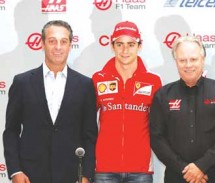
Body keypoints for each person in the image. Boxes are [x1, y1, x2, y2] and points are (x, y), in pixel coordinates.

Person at [3, 20, 98, 183]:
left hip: (72, 175)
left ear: (70, 45)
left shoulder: (85, 85)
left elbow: (90, 134)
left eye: (63, 41)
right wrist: (15, 170)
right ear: (42, 43)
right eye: (52, 41)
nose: (58, 47)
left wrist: (86, 175)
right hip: (30, 175)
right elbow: (11, 131)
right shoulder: (22, 82)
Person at [150, 35, 215, 183]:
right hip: (176, 176)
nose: (188, 65)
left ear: (203, 60)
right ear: (176, 62)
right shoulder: (163, 95)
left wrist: (201, 167)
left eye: (193, 59)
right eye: (182, 60)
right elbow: (157, 138)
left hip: (212, 176)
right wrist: (185, 169)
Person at [92, 21, 162, 183]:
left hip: (140, 170)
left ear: (139, 46)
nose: (125, 50)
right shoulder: (98, 78)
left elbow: (160, 125)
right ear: (112, 46)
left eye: (131, 44)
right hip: (104, 168)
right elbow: (87, 124)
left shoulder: (153, 80)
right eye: (120, 44)